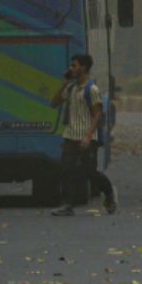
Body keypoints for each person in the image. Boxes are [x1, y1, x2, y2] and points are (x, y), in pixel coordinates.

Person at [49, 53, 117, 216]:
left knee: (89, 173)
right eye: (71, 66)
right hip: (71, 136)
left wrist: (88, 135)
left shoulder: (92, 89)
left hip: (87, 137)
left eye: (75, 65)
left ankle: (109, 194)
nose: (71, 68)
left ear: (84, 68)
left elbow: (97, 114)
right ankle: (67, 205)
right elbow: (54, 103)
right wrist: (64, 83)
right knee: (65, 170)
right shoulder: (71, 88)